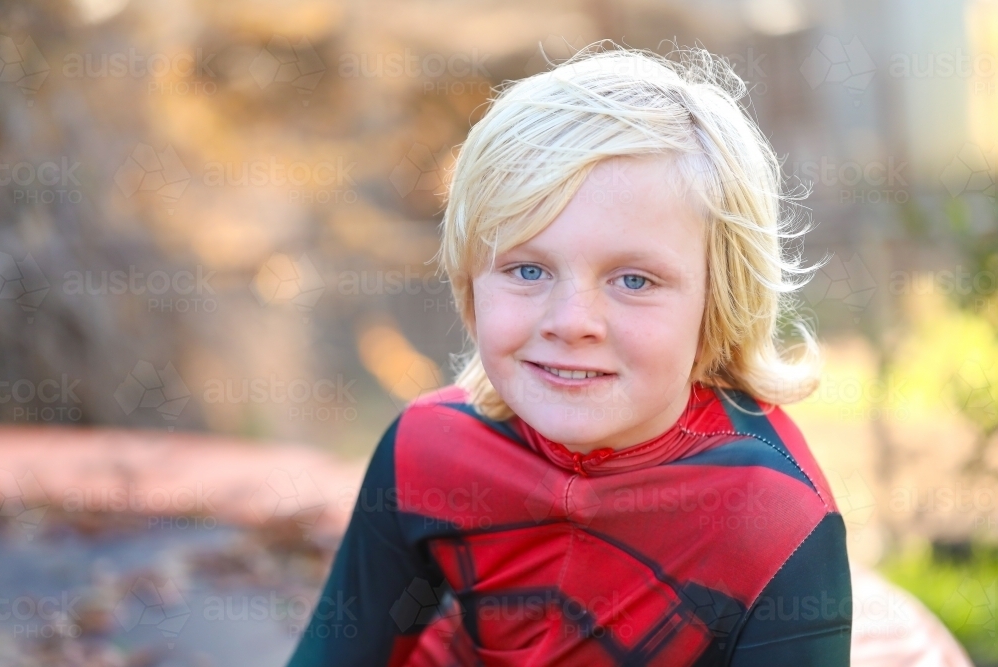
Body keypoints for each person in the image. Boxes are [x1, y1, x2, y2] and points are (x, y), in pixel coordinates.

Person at [287, 43, 851, 666]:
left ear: (719, 299)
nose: (571, 322)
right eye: (528, 269)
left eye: (633, 280)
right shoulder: (426, 453)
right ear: (469, 279)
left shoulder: (774, 520)